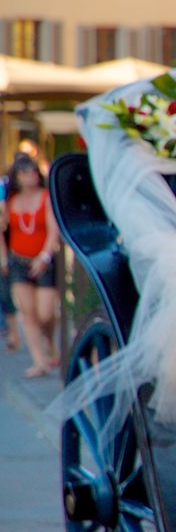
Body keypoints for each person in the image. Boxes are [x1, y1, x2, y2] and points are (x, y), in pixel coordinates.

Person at [8, 154, 60, 377]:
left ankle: (49, 339)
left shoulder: (47, 197)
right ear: (18, 177)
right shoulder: (10, 201)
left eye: (34, 171)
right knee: (28, 313)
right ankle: (40, 362)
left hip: (43, 260)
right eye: (26, 172)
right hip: (18, 260)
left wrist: (44, 256)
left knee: (45, 313)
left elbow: (53, 230)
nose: (32, 176)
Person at [0, 164, 21, 353]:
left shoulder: (3, 190)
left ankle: (14, 334)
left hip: (6, 250)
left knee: (5, 294)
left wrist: (3, 255)